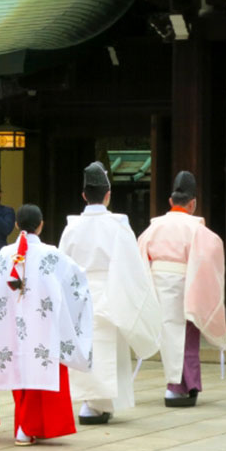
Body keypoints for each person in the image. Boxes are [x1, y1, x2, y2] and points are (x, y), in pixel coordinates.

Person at [59, 161, 161, 424]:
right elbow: (131, 266)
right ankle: (96, 405)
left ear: (84, 195)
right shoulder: (118, 226)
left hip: (80, 294)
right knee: (106, 349)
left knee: (89, 348)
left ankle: (95, 403)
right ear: (108, 194)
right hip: (110, 290)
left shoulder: (71, 228)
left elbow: (63, 266)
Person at [0, 204, 93, 446]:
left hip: (13, 323)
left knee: (20, 370)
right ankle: (25, 428)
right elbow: (76, 281)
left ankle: (27, 427)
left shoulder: (5, 254)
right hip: (42, 323)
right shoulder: (51, 254)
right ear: (41, 224)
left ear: (16, 225)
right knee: (37, 371)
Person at [138, 171, 226, 407]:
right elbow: (209, 255)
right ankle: (180, 388)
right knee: (187, 337)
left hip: (159, 287)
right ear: (193, 203)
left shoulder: (153, 227)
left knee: (170, 337)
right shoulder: (197, 230)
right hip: (185, 284)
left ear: (171, 201)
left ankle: (179, 386)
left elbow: (139, 255)